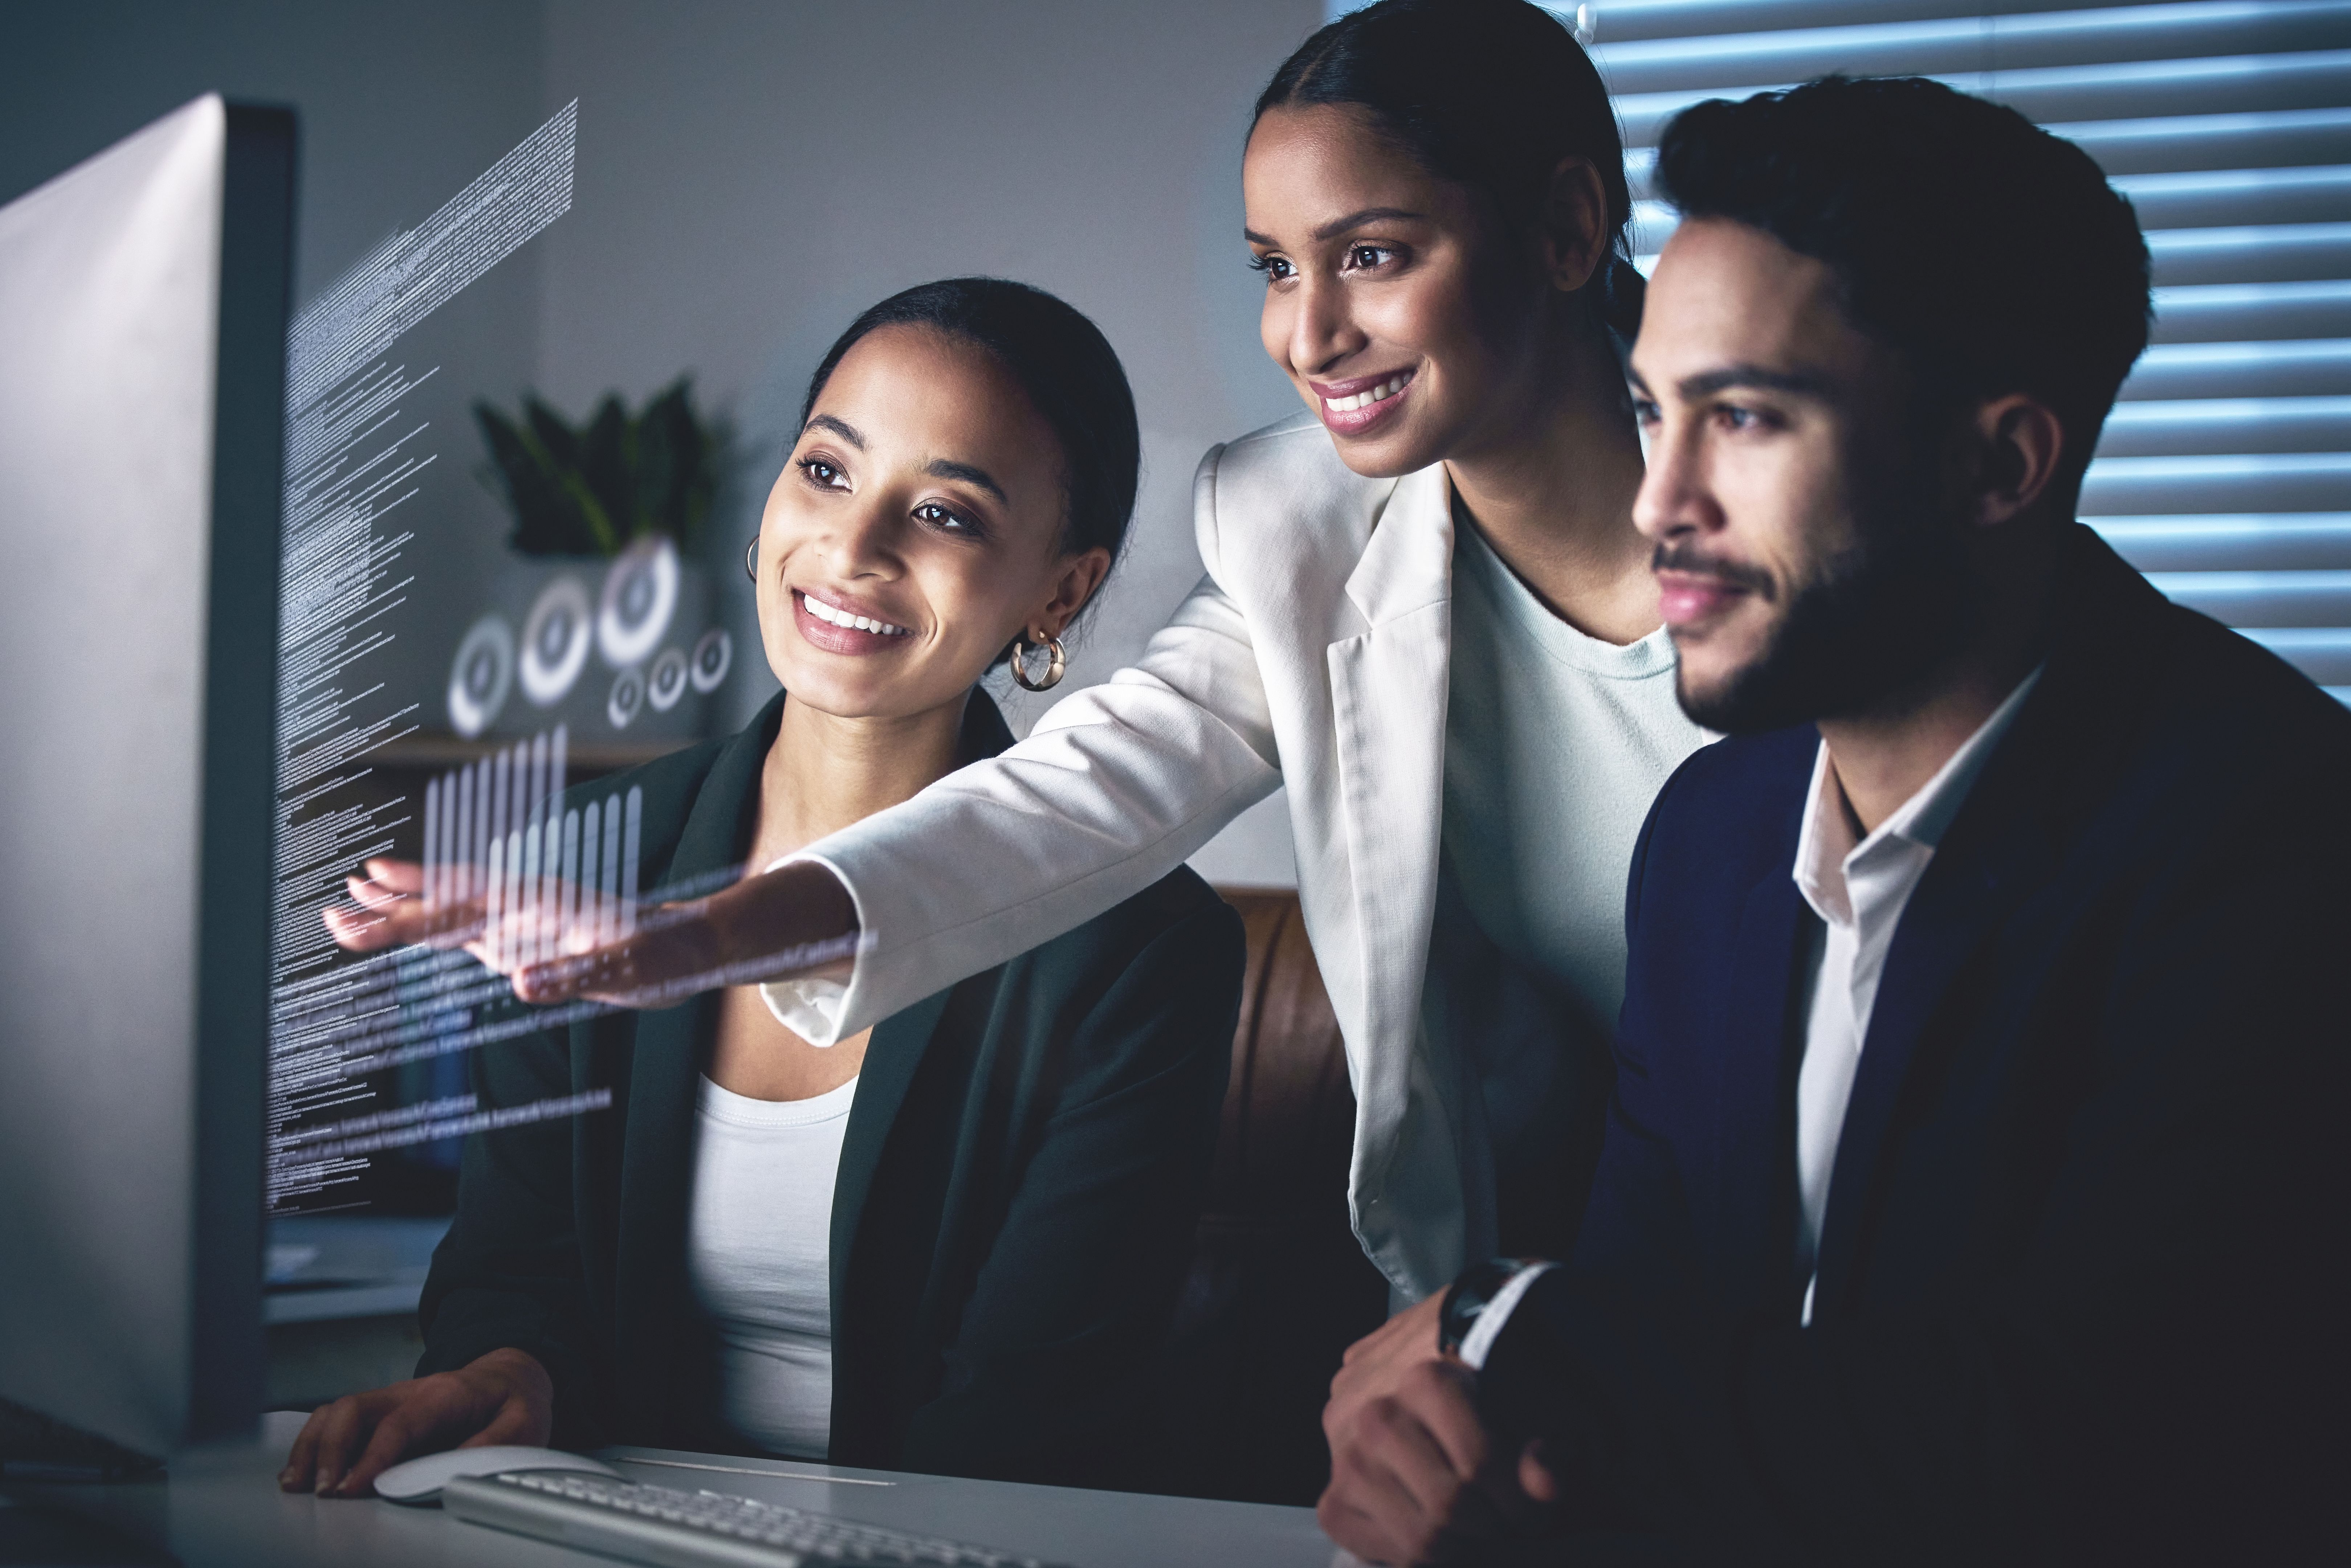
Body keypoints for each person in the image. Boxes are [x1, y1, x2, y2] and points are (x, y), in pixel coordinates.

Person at [506, 0, 1710, 1316]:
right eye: (1274, 269)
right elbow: (1078, 794)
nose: (1307, 338)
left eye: (1370, 254)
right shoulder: (1298, 528)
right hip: (1569, 1249)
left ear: (1566, 230)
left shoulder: (1808, 497)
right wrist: (698, 935)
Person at [1316, 76, 2348, 1565]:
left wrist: (1497, 1327)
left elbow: (2097, 1435)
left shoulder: (2270, 833)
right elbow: (1646, 1343)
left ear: (1999, 463)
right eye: (1646, 412)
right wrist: (1462, 1455)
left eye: (1740, 417)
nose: (1654, 503)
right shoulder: (1711, 837)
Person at [277, 278, 1244, 1499]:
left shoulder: (1139, 950)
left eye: (943, 511)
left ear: (1060, 592)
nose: (850, 548)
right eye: (827, 473)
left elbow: (1029, 1422)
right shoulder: (583, 865)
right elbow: (515, 1273)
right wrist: (506, 1372)